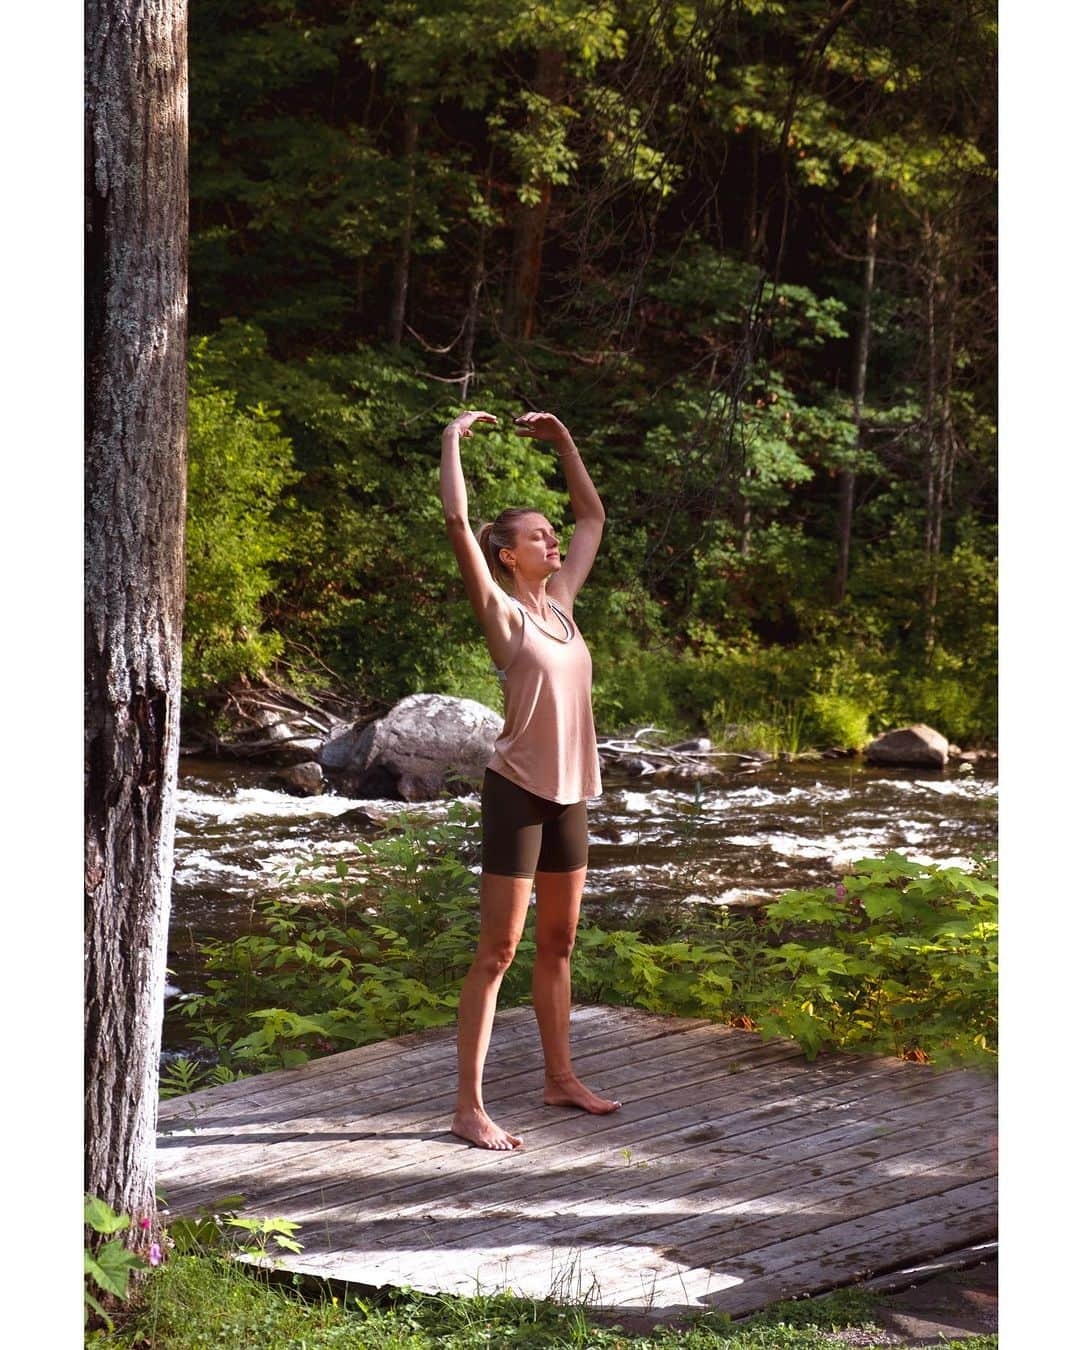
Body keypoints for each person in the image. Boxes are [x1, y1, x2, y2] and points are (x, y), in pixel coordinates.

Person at [440, 408, 620, 1150]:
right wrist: (451, 441)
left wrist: (567, 440)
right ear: (508, 557)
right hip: (517, 790)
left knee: (560, 943)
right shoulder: (505, 616)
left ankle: (559, 1077)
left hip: (571, 792)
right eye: (535, 535)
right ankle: (468, 1107)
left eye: (551, 534)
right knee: (499, 952)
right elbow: (457, 522)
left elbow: (594, 518)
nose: (552, 540)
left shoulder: (565, 609)